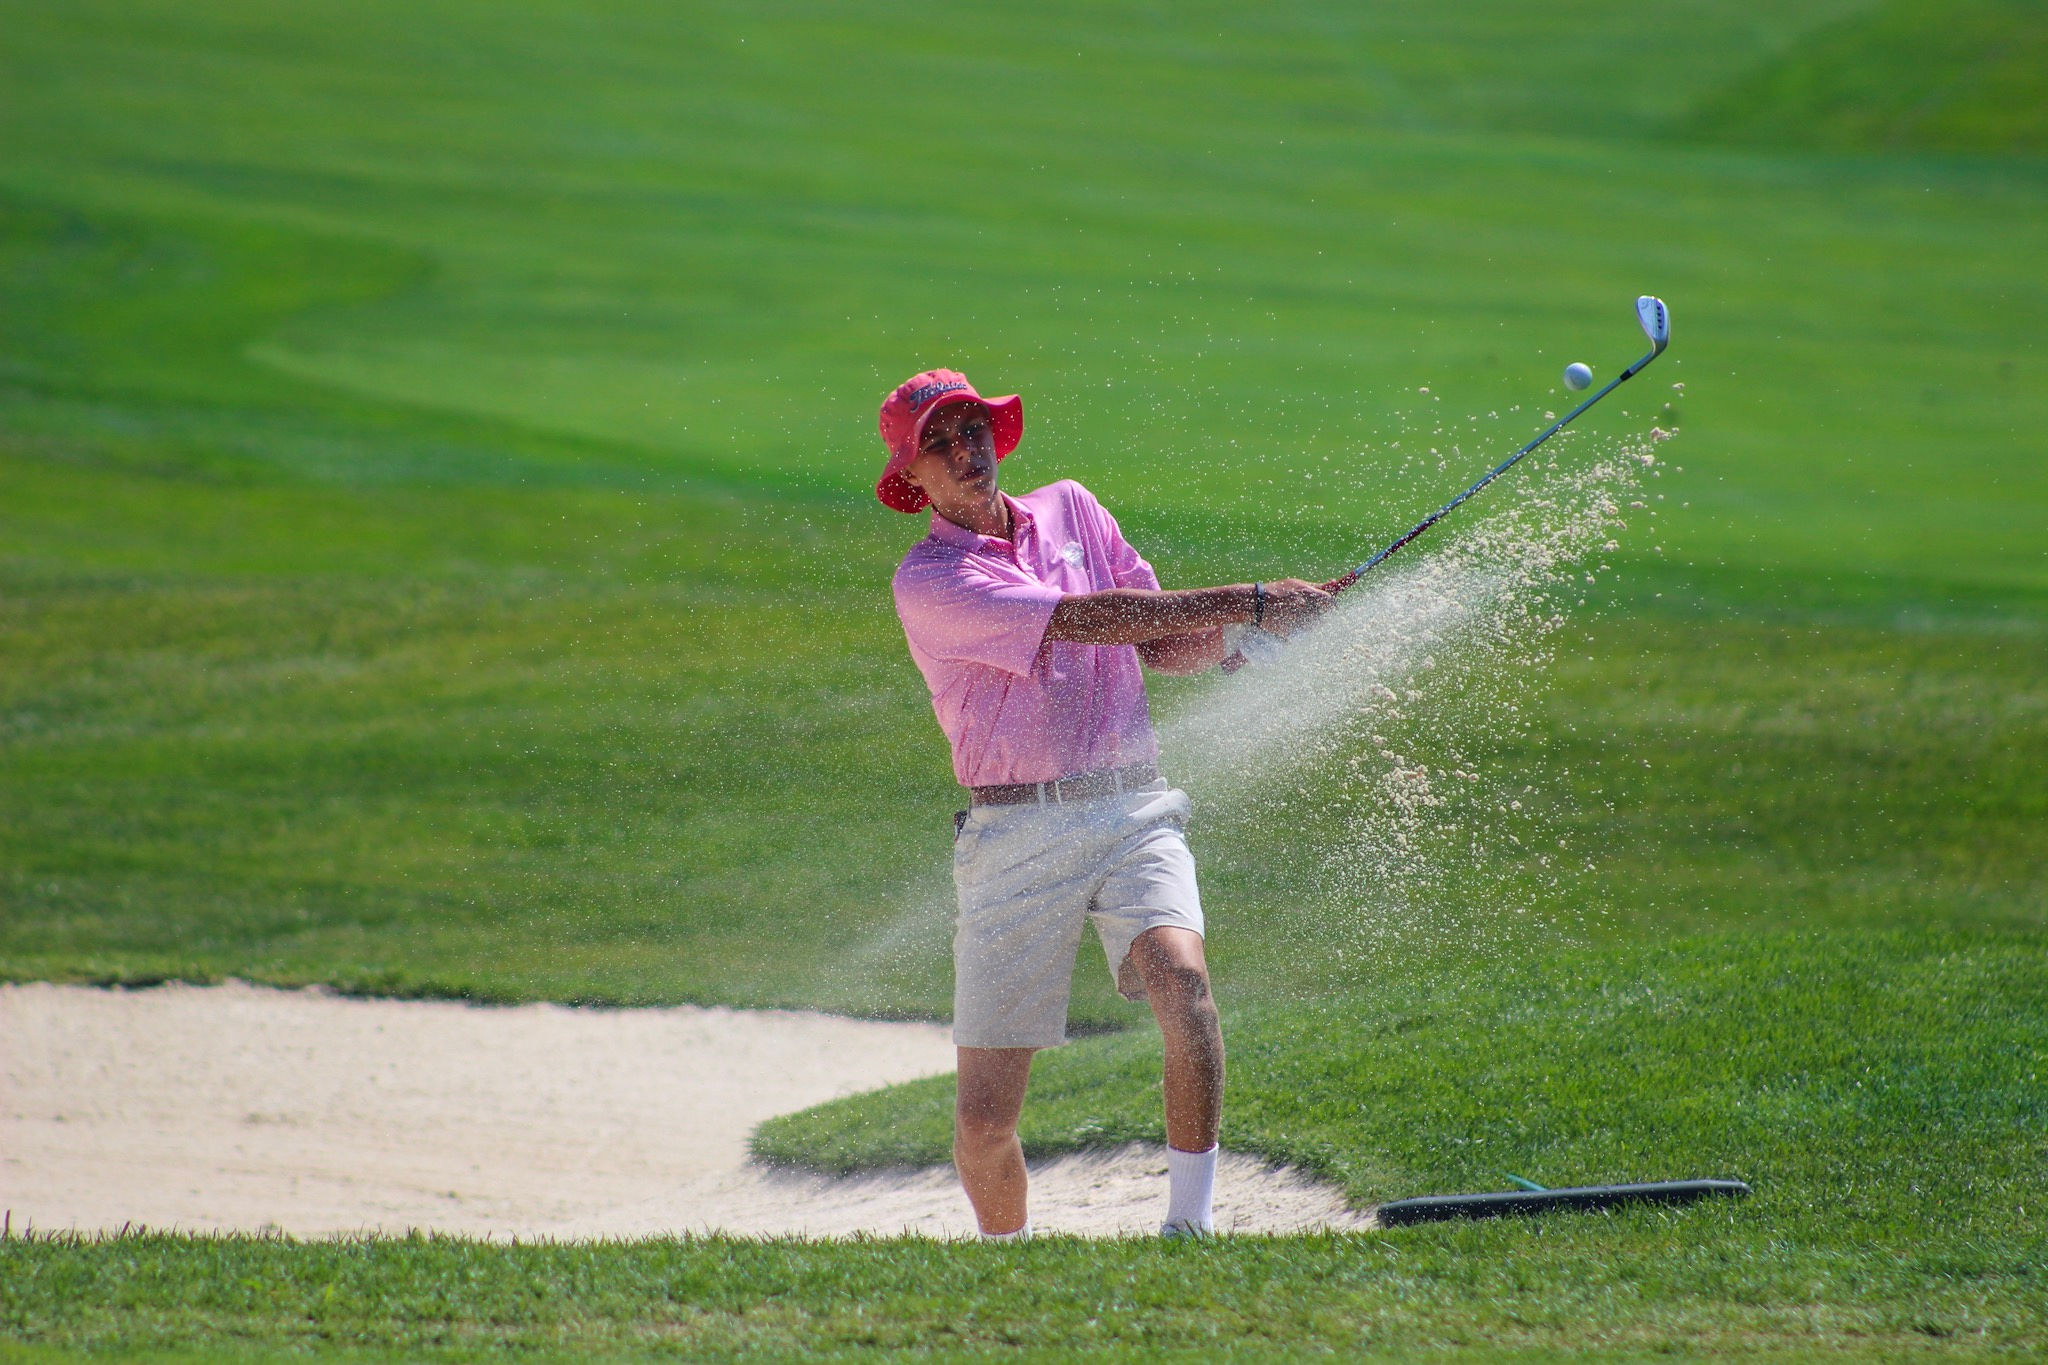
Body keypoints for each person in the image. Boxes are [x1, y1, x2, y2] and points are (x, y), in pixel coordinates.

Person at [878, 368, 1334, 1239]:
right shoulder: (930, 578)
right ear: (915, 477)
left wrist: (1239, 637)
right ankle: (1008, 1259)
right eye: (941, 441)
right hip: (1014, 833)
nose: (967, 450)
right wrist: (1258, 600)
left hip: (1132, 809)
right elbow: (1090, 619)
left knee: (1186, 986)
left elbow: (1157, 637)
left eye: (974, 428)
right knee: (984, 1121)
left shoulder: (1072, 509)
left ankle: (1190, 1231)